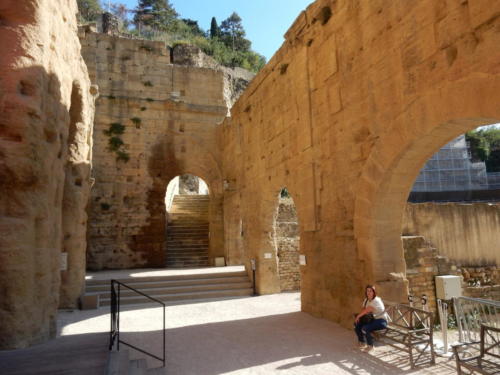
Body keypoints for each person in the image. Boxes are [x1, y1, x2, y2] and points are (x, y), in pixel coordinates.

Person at [354, 285, 389, 352]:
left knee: (366, 328)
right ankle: (362, 342)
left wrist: (358, 316)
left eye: (370, 291)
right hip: (372, 319)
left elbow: (368, 309)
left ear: (374, 292)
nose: (369, 292)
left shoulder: (376, 300)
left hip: (381, 321)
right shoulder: (366, 300)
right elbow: (363, 310)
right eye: (367, 291)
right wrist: (360, 318)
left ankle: (370, 346)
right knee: (357, 324)